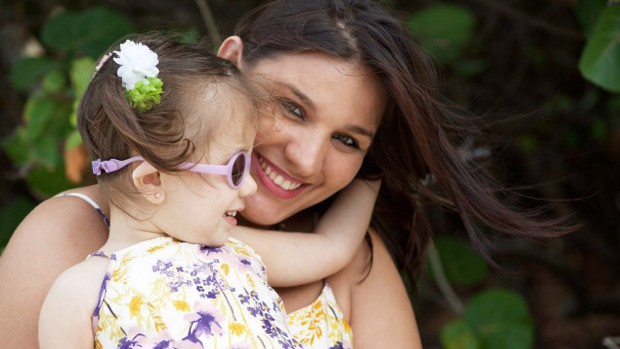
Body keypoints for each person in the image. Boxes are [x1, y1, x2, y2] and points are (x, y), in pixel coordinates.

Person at [0, 1, 573, 348]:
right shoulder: (75, 241)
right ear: (229, 66)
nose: (305, 159)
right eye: (292, 108)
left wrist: (374, 179)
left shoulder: (349, 261)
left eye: (348, 141)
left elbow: (333, 247)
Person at [38, 35, 378, 348]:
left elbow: (334, 248)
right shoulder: (80, 293)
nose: (250, 185)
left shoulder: (238, 251)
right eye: (235, 169)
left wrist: (376, 172)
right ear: (152, 180)